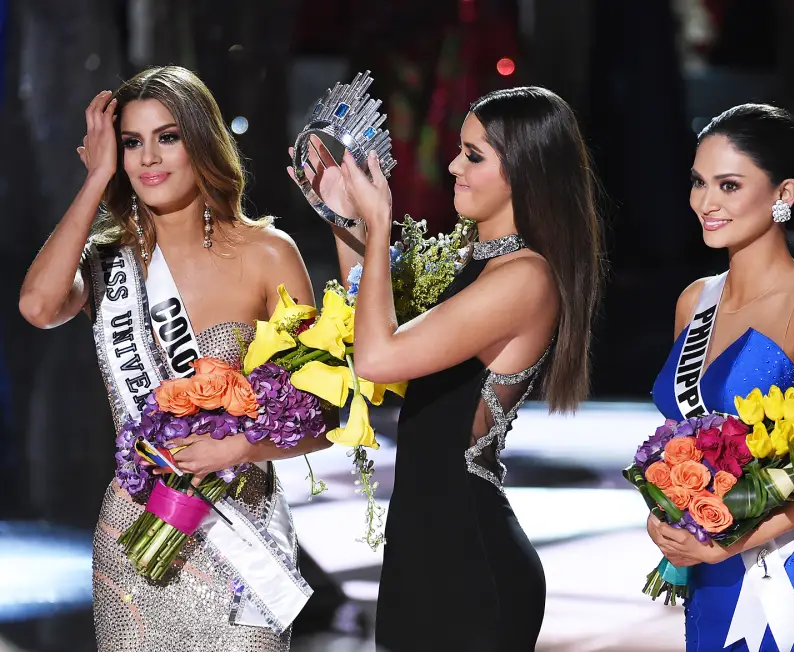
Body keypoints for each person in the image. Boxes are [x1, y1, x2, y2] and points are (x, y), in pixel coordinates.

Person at [19, 66, 329, 652]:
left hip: (240, 538)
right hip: (133, 536)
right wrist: (95, 180)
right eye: (132, 142)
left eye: (168, 137)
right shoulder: (108, 263)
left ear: (201, 141)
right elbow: (37, 306)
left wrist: (236, 448)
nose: (149, 159)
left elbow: (319, 417)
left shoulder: (267, 254)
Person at [301, 86, 603, 650]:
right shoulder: (478, 265)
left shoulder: (523, 278)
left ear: (525, 171)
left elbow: (376, 355)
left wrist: (381, 220)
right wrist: (345, 221)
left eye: (473, 155)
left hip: (469, 564)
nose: (452, 166)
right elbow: (380, 354)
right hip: (425, 548)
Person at [645, 104, 794, 651]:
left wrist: (730, 542)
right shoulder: (695, 300)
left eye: (729, 185)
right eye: (698, 182)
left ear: (782, 194)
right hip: (708, 580)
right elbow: (682, 441)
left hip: (784, 579)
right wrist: (666, 513)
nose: (706, 203)